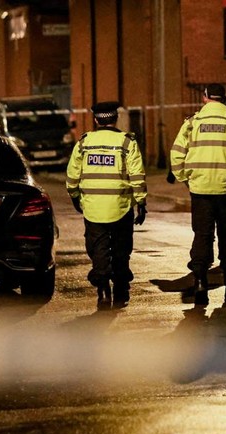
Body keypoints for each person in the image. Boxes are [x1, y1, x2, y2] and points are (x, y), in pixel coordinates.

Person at [170, 84, 226, 305]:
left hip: (200, 189)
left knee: (202, 235)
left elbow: (176, 155)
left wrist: (186, 179)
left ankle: (200, 283)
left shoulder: (192, 123)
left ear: (205, 98)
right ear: (224, 99)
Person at [66, 101, 147, 309]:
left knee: (98, 250)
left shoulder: (84, 143)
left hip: (93, 208)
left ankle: (103, 292)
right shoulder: (127, 142)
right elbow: (137, 175)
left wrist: (75, 196)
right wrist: (141, 202)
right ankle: (121, 291)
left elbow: (72, 175)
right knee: (121, 250)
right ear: (116, 118)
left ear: (95, 120)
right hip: (121, 207)